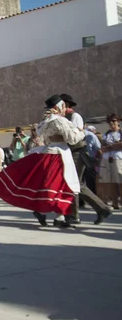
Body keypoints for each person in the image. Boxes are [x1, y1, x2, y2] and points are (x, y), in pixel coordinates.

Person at [0, 95, 85, 227]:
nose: (65, 109)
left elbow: (44, 137)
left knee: (50, 187)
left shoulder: (45, 121)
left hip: (49, 152)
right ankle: (58, 216)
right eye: (63, 106)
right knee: (62, 186)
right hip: (59, 155)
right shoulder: (60, 121)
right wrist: (81, 131)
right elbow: (72, 139)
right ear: (59, 107)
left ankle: (57, 215)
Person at [60, 93, 112, 224]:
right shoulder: (63, 117)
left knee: (74, 183)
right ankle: (100, 209)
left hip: (78, 152)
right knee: (76, 184)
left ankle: (76, 215)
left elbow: (75, 134)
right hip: (70, 152)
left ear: (66, 104)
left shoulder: (75, 116)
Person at [100, 114, 122, 209]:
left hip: (118, 158)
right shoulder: (107, 134)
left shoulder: (120, 132)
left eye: (113, 121)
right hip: (107, 159)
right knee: (111, 181)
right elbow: (103, 147)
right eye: (109, 121)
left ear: (118, 121)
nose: (111, 123)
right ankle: (114, 202)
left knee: (120, 181)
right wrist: (113, 145)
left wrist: (112, 146)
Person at [83, 125, 101, 197]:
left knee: (91, 181)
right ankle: (81, 201)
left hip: (90, 160)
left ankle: (94, 198)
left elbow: (98, 148)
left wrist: (98, 160)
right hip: (78, 160)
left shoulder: (91, 136)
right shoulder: (75, 135)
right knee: (80, 181)